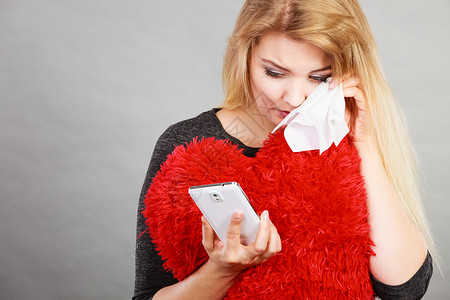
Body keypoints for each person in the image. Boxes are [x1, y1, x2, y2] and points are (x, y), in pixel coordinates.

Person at [133, 0, 435, 299]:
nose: (293, 98)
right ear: (246, 56)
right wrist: (222, 270)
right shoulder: (186, 143)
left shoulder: (345, 137)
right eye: (275, 73)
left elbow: (405, 289)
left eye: (319, 78)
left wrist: (364, 145)